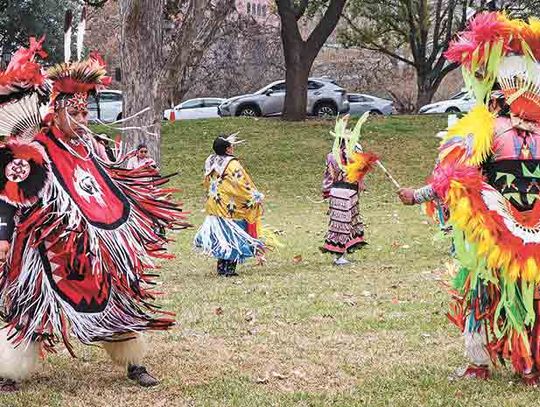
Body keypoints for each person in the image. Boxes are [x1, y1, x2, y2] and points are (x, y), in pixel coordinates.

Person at [0, 40, 187, 391]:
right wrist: (4, 237)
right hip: (45, 246)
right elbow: (11, 194)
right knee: (32, 302)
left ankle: (133, 362)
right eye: (76, 113)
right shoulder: (33, 148)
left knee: (116, 294)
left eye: (85, 113)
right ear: (56, 112)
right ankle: (10, 371)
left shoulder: (93, 146)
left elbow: (113, 184)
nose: (83, 120)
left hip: (94, 244)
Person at [398, 11, 540, 385]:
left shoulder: (485, 127)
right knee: (530, 295)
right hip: (521, 228)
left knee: (478, 291)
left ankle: (482, 363)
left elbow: (453, 177)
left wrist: (418, 195)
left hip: (496, 231)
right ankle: (528, 367)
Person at [194, 134, 265, 277]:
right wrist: (254, 196)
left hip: (216, 204)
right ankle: (230, 270)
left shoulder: (211, 161)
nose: (233, 148)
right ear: (227, 149)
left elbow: (207, 182)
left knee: (222, 237)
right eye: (231, 146)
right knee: (233, 237)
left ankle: (221, 268)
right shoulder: (232, 164)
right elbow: (241, 184)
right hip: (231, 208)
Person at [320, 115, 377, 265]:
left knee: (342, 223)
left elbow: (328, 176)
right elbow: (360, 171)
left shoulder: (331, 156)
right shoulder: (353, 154)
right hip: (347, 192)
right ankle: (339, 257)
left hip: (338, 192)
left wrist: (327, 192)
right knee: (343, 223)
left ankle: (340, 254)